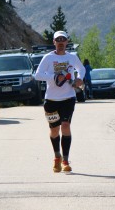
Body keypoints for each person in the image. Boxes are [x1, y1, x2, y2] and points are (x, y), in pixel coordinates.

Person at [35, 31, 86, 173]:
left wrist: (80, 78)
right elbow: (38, 75)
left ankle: (65, 160)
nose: (61, 42)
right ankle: (56, 156)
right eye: (58, 40)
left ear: (67, 42)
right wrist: (55, 77)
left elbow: (81, 69)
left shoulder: (72, 57)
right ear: (54, 42)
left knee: (65, 125)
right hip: (51, 99)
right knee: (54, 130)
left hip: (68, 98)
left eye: (63, 40)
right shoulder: (48, 57)